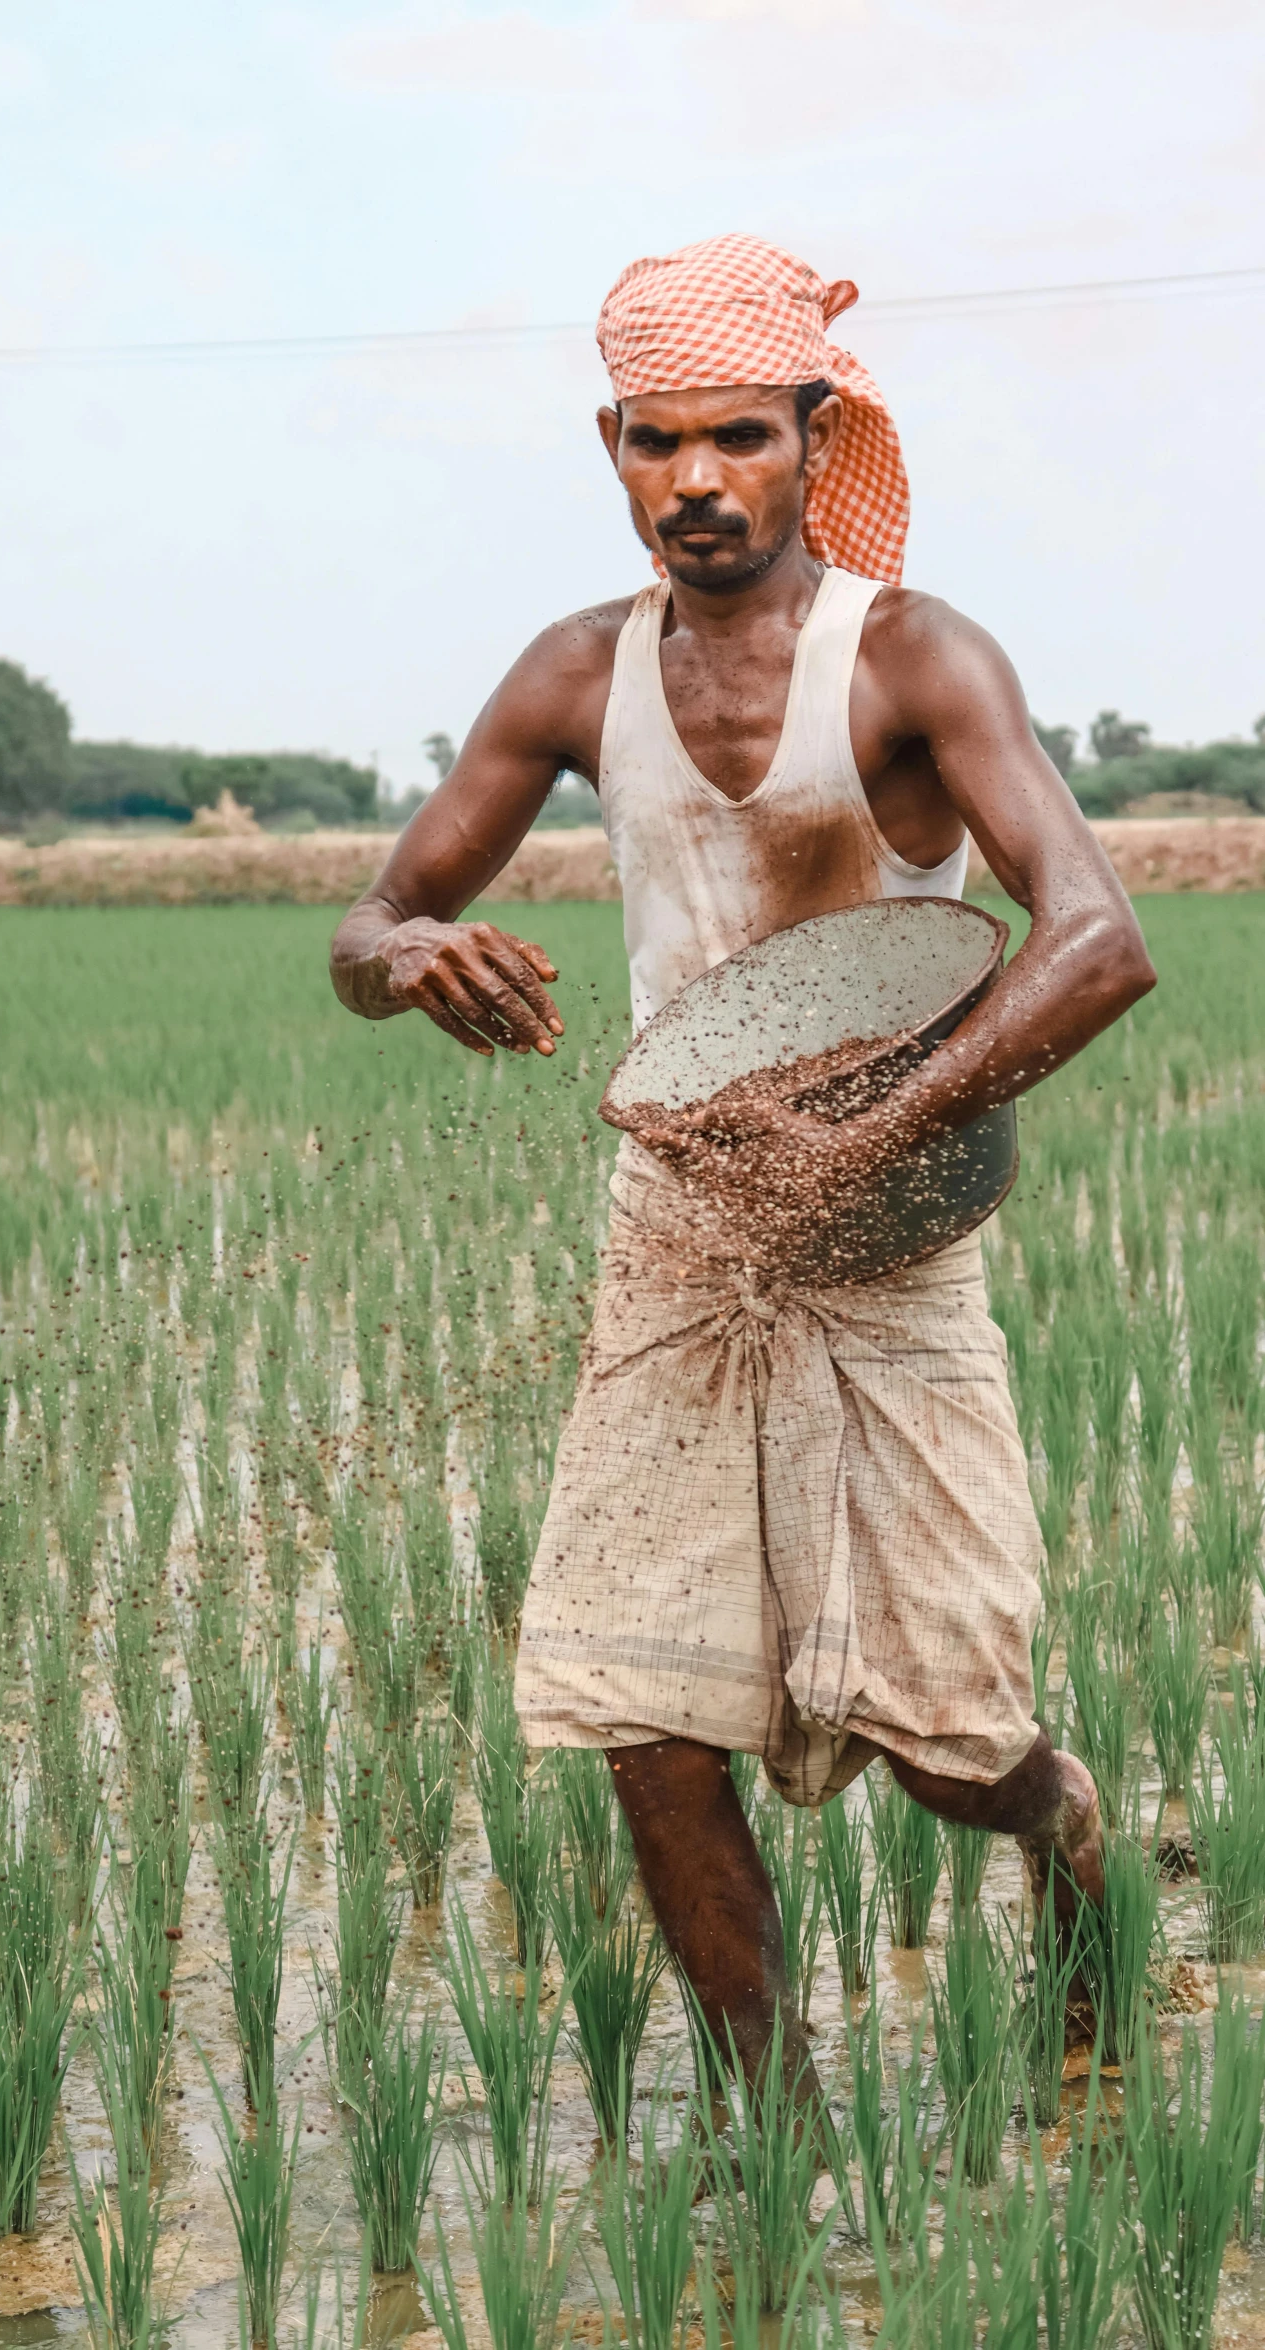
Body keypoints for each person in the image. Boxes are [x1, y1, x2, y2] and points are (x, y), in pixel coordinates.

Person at [330, 231, 1154, 2090]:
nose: (694, 481)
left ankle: (1067, 1830)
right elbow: (370, 919)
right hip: (680, 1232)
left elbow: (1099, 938)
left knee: (951, 1739)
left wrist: (872, 1124)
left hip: (893, 1227)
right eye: (653, 443)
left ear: (811, 431)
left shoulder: (912, 656)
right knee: (642, 1709)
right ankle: (761, 2113)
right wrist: (409, 957)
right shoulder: (571, 674)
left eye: (736, 439)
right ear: (607, 445)